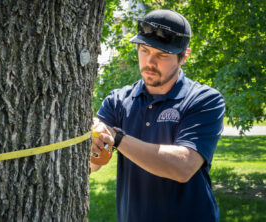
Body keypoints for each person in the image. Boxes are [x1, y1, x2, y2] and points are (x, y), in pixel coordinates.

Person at [91, 9, 225, 222]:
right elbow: (94, 164)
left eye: (162, 55)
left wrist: (117, 139)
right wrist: (94, 146)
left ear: (184, 56)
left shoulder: (204, 99)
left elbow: (184, 166)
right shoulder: (118, 100)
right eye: (144, 50)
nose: (150, 62)